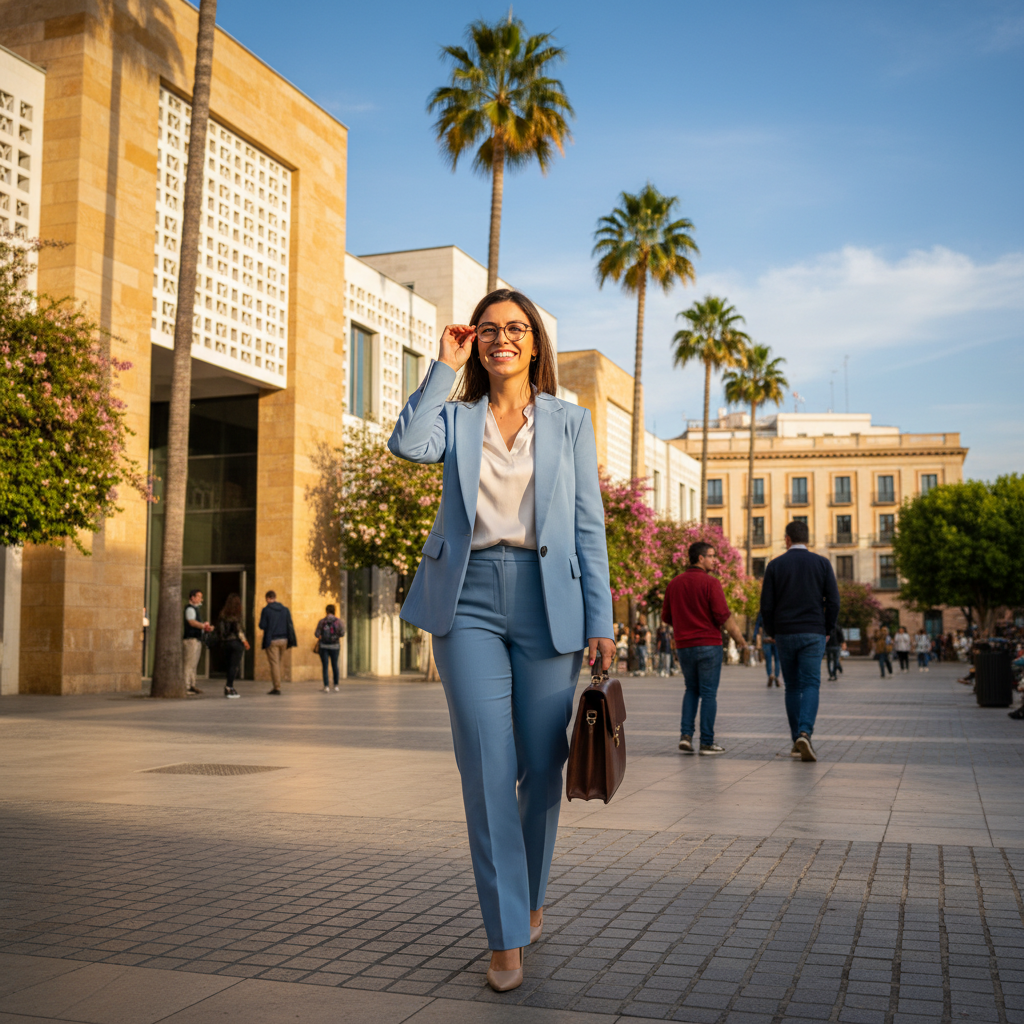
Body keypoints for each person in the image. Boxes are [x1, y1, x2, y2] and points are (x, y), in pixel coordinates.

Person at [388, 288, 614, 993]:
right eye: (488, 330)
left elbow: (588, 529)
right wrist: (441, 364)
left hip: (552, 603)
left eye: (515, 328)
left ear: (536, 344)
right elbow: (406, 443)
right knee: (488, 767)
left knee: (542, 766)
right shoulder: (455, 419)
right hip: (469, 599)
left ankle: (532, 891)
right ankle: (505, 934)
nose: (501, 338)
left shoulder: (570, 424)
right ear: (476, 343)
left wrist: (602, 620)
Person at [759, 520, 840, 763]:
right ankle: (806, 732)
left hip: (785, 633)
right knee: (811, 684)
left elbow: (766, 605)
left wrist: (773, 631)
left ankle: (797, 738)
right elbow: (834, 601)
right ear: (807, 539)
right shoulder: (822, 563)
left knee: (792, 687)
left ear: (787, 539)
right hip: (813, 632)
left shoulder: (775, 565)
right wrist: (827, 629)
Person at [662, 541, 748, 756]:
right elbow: (722, 616)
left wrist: (685, 627)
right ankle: (707, 742)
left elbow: (666, 616)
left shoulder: (674, 584)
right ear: (700, 558)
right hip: (709, 644)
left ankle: (686, 736)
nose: (714, 560)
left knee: (691, 690)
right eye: (711, 556)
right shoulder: (711, 583)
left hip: (684, 646)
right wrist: (740, 640)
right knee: (708, 694)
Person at [258, 590, 297, 694]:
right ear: (275, 597)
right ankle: (277, 684)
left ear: (267, 598)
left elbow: (262, 625)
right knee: (278, 662)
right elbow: (290, 624)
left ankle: (277, 687)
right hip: (284, 640)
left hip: (272, 640)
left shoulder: (266, 610)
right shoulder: (285, 610)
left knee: (274, 664)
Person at [215, 593, 249, 698]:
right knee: (234, 666)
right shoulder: (236, 616)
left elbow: (220, 631)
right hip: (235, 643)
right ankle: (229, 686)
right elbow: (239, 631)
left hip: (225, 643)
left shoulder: (222, 615)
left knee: (229, 665)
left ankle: (229, 686)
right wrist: (245, 642)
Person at [182, 589, 213, 694]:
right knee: (189, 663)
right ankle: (186, 686)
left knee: (193, 664)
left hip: (196, 639)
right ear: (192, 597)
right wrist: (203, 626)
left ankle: (192, 685)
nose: (201, 599)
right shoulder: (190, 609)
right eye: (198, 596)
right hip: (191, 639)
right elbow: (191, 622)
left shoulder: (195, 609)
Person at [314, 604, 345, 692]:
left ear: (326, 611)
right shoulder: (339, 622)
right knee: (335, 665)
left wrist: (322, 635)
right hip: (335, 646)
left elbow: (316, 634)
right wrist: (336, 636)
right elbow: (342, 633)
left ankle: (326, 686)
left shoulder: (322, 621)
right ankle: (336, 685)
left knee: (325, 666)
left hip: (323, 646)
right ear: (334, 611)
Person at [754, 612, 779, 688]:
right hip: (777, 639)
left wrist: (754, 636)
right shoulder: (779, 609)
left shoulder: (763, 612)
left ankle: (770, 675)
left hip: (766, 639)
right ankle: (776, 676)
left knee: (768, 659)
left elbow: (758, 625)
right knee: (777, 659)